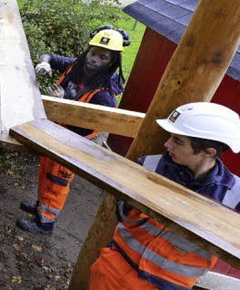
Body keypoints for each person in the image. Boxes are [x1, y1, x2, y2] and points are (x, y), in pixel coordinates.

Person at [90, 102, 240, 290]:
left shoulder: (235, 197)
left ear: (208, 152)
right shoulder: (150, 165)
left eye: (177, 141)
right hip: (114, 267)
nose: (166, 144)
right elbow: (122, 210)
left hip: (167, 285)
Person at [17, 25, 130, 234]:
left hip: (75, 143)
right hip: (57, 134)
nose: (95, 59)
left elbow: (87, 130)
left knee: (57, 181)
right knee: (45, 172)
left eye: (103, 57)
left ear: (113, 61)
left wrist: (64, 104)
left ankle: (45, 223)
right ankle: (40, 206)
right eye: (93, 53)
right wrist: (44, 62)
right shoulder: (76, 67)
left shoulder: (104, 95)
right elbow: (50, 56)